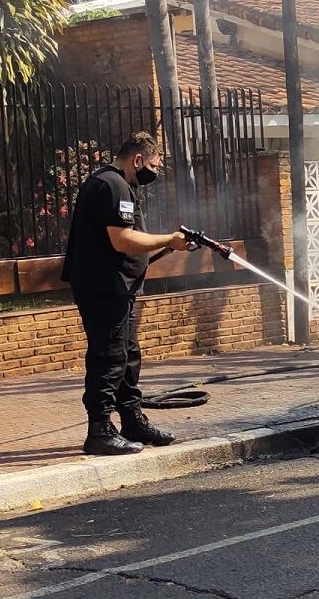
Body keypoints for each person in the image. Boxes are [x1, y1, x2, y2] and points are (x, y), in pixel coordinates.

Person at [62, 132, 196, 456]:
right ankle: (99, 430)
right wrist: (169, 239)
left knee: (127, 354)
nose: (154, 171)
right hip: (105, 287)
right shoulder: (114, 186)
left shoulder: (114, 184)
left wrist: (165, 247)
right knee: (109, 356)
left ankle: (132, 419)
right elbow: (122, 239)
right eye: (152, 165)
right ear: (137, 160)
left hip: (117, 285)